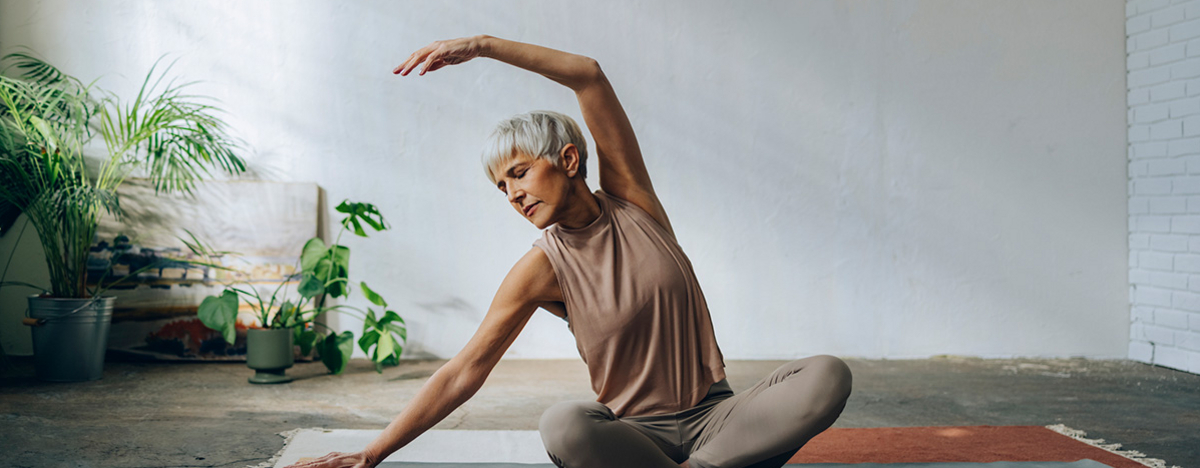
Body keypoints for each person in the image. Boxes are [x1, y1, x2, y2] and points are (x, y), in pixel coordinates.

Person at [288, 35, 853, 468]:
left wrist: (480, 45)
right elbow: (464, 371)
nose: (513, 194)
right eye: (501, 187)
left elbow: (589, 77)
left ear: (569, 160)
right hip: (634, 436)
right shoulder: (540, 268)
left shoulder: (635, 201)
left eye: (519, 173)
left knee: (826, 374)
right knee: (564, 425)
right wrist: (373, 453)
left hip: (719, 419)